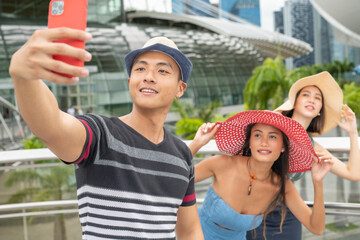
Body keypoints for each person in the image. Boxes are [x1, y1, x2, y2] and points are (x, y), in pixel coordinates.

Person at [9, 28, 204, 239]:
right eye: (140, 69)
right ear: (130, 82)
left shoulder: (182, 154)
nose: (149, 77)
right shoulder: (102, 134)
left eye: (163, 71)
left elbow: (190, 230)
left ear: (180, 89)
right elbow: (52, 126)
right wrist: (24, 78)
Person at [247, 71, 360, 240]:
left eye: (317, 98)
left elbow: (353, 173)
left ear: (319, 110)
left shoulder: (313, 147)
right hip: (251, 212)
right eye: (306, 95)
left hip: (287, 215)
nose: (312, 100)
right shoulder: (273, 124)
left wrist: (352, 132)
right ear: (294, 102)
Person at [189, 110, 333, 240]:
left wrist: (317, 182)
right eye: (257, 135)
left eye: (272, 137)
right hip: (195, 235)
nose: (264, 142)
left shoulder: (281, 185)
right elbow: (173, 179)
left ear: (283, 146)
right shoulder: (222, 164)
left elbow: (316, 228)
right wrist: (196, 144)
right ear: (250, 141)